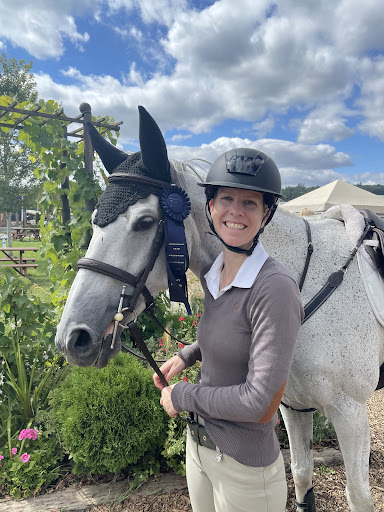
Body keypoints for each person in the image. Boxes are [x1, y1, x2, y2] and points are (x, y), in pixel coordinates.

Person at [154, 148, 303, 512]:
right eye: (226, 198)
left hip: (244, 469)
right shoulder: (214, 274)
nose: (235, 211)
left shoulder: (275, 289)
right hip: (199, 449)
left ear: (266, 214)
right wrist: (188, 354)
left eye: (250, 203)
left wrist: (183, 396)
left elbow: (259, 403)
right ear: (210, 206)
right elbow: (229, 330)